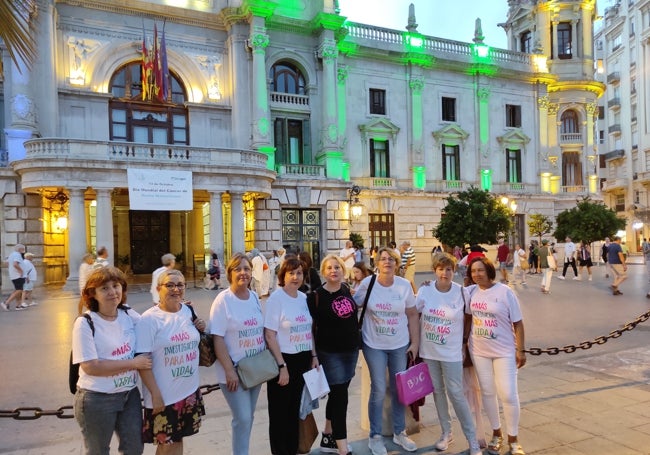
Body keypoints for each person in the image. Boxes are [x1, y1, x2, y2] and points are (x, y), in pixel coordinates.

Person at [72, 266, 152, 455]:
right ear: (93, 293)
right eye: (104, 288)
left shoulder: (127, 314)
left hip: (128, 395)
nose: (112, 292)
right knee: (98, 451)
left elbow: (153, 328)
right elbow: (91, 366)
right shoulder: (85, 323)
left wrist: (181, 311)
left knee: (134, 448)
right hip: (97, 398)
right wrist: (133, 364)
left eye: (116, 286)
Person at [354, 246, 419, 455]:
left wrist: (415, 342)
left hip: (399, 343)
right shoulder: (368, 283)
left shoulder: (403, 285)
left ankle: (400, 432)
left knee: (399, 388)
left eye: (391, 259)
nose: (387, 262)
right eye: (383, 259)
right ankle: (375, 436)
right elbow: (349, 305)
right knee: (379, 388)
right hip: (373, 344)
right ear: (377, 263)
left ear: (397, 263)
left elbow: (411, 314)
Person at [416, 253, 481, 455]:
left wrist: (464, 342)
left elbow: (470, 317)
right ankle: (446, 432)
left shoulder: (462, 292)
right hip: (430, 351)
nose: (445, 273)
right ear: (435, 270)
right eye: (441, 269)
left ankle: (472, 439)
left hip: (452, 352)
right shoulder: (425, 289)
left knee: (456, 393)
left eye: (449, 269)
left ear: (454, 271)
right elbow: (413, 312)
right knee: (438, 391)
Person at [136, 269, 207, 454]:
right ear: (159, 288)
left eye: (180, 285)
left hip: (188, 390)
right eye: (170, 285)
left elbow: (197, 339)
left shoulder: (189, 310)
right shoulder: (149, 319)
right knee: (167, 445)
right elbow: (143, 361)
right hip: (164, 396)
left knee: (177, 441)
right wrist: (155, 394)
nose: (176, 289)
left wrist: (201, 327)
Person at [465, 257, 526, 455]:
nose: (477, 274)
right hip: (479, 351)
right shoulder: (470, 292)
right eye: (473, 271)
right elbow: (448, 294)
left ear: (489, 270)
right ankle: (497, 433)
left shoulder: (505, 292)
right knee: (488, 392)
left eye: (480, 270)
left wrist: (521, 349)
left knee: (508, 393)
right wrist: (428, 285)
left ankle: (513, 438)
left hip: (504, 351)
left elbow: (518, 323)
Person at [209, 253, 265, 455]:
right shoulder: (223, 300)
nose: (243, 273)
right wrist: (229, 370)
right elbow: (218, 338)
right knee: (241, 417)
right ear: (230, 273)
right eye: (238, 269)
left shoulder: (254, 297)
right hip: (233, 371)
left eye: (247, 269)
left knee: (248, 417)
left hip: (255, 369)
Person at [264, 255, 318, 455]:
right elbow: (270, 335)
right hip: (284, 360)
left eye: (299, 273)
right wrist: (281, 366)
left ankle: (293, 448)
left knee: (295, 409)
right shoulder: (276, 299)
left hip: (303, 359)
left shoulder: (304, 298)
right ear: (283, 276)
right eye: (291, 273)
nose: (295, 277)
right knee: (280, 413)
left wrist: (314, 356)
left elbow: (309, 330)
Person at [308, 254, 360, 455]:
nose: (333, 270)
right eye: (329, 267)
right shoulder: (316, 297)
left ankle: (328, 436)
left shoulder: (346, 289)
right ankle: (342, 448)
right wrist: (313, 356)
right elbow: (310, 329)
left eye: (337, 267)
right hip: (330, 353)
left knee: (338, 394)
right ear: (323, 271)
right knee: (340, 397)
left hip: (351, 350)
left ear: (343, 270)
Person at [1, 243, 26, 311]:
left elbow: (7, 263)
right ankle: (6, 302)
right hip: (18, 275)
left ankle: (18, 305)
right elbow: (15, 264)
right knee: (19, 290)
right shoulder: (17, 255)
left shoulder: (11, 254)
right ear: (19, 249)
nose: (24, 251)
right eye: (23, 249)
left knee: (17, 289)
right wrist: (20, 271)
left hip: (14, 275)